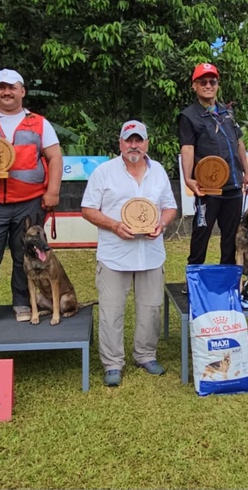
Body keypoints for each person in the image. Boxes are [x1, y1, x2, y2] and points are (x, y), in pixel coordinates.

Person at [0, 68, 64, 330]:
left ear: (22, 91)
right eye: (1, 87)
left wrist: (52, 192)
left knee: (25, 255)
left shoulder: (39, 123)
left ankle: (23, 303)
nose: (7, 92)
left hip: (29, 201)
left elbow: (55, 157)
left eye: (12, 87)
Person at [81, 120, 177, 387]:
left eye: (138, 140)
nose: (133, 145)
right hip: (114, 254)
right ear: (120, 142)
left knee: (151, 308)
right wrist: (114, 225)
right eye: (128, 140)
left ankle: (146, 355)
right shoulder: (104, 172)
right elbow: (88, 209)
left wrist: (163, 223)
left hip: (151, 253)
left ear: (146, 143)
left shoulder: (157, 171)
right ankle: (113, 363)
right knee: (111, 311)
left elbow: (170, 207)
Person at [179, 62, 248, 287]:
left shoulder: (226, 112)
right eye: (203, 81)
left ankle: (228, 284)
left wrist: (247, 173)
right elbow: (188, 148)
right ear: (194, 85)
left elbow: (239, 143)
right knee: (202, 233)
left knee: (230, 237)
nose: (208, 85)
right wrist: (188, 178)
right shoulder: (188, 116)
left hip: (233, 186)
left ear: (217, 84)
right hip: (207, 187)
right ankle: (194, 283)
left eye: (212, 81)